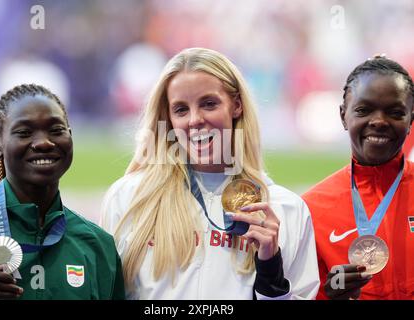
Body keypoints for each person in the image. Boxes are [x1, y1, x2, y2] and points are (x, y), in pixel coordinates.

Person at [100, 47, 319, 300]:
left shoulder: (286, 209)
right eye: (181, 109)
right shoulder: (129, 198)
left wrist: (271, 273)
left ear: (236, 105)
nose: (195, 120)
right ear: (168, 118)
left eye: (209, 104)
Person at [0, 84, 125, 300]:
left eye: (56, 130)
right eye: (24, 132)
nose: (43, 142)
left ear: (70, 136)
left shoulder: (98, 246)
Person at [302, 55, 414, 300]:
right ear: (343, 116)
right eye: (364, 110)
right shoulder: (310, 210)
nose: (379, 121)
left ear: (411, 120)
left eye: (395, 112)